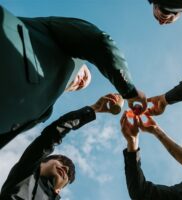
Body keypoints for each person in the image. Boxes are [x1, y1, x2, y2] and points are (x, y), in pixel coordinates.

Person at [0, 6, 146, 148]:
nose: (81, 81)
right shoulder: (52, 36)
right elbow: (97, 41)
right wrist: (129, 91)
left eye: (81, 86)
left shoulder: (45, 111)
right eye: (83, 74)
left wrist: (94, 108)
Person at [0, 93, 121, 200]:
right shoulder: (27, 170)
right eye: (61, 162)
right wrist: (93, 109)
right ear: (41, 162)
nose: (66, 169)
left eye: (68, 175)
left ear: (59, 190)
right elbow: (51, 136)